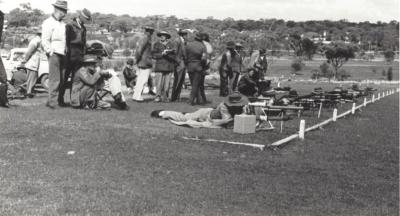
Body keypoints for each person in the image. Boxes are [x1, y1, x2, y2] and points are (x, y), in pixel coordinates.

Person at [150, 92, 248, 128]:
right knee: (184, 118)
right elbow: (225, 122)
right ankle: (162, 113)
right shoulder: (224, 106)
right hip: (204, 115)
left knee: (187, 115)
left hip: (208, 112)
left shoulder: (243, 105)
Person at [41, 0, 68, 108]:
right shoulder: (48, 22)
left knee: (62, 79)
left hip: (63, 54)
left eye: (65, 11)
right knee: (55, 79)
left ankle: (59, 100)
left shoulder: (64, 24)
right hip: (54, 54)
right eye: (63, 10)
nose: (65, 13)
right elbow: (45, 40)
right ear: (57, 10)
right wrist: (50, 52)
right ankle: (53, 103)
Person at [64, 8, 92, 104]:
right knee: (64, 77)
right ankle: (60, 100)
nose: (86, 21)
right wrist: (67, 52)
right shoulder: (70, 25)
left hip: (79, 55)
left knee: (76, 80)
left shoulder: (83, 28)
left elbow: (83, 42)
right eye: (86, 19)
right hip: (70, 54)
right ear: (81, 16)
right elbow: (66, 40)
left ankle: (74, 101)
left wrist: (84, 52)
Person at [152, 31, 176, 102]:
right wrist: (161, 54)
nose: (162, 36)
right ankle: (158, 97)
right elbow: (153, 55)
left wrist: (168, 54)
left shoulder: (171, 44)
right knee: (158, 83)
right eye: (161, 35)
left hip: (169, 66)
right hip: (159, 66)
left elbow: (174, 55)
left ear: (167, 37)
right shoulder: (156, 44)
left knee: (167, 84)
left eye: (164, 35)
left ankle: (165, 97)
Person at [132, 26, 154, 102]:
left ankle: (136, 96)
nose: (152, 33)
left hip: (142, 62)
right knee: (143, 80)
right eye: (151, 31)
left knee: (140, 80)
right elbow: (139, 50)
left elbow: (139, 50)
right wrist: (137, 59)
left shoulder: (143, 38)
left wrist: (137, 60)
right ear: (149, 32)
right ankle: (137, 96)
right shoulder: (146, 38)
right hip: (145, 62)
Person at [185, 32, 207, 105]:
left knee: (193, 84)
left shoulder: (188, 45)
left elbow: (185, 57)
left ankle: (199, 100)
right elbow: (204, 59)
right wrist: (203, 66)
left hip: (190, 66)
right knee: (195, 85)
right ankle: (191, 101)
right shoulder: (202, 46)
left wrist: (187, 63)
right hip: (198, 66)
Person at [20, 30, 42, 98]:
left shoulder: (38, 40)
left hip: (34, 62)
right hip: (33, 62)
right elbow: (30, 51)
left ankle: (27, 91)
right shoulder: (36, 40)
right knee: (31, 79)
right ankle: (28, 93)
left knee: (32, 79)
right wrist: (25, 60)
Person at [170, 29, 188, 102]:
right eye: (186, 35)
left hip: (182, 63)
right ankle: (174, 97)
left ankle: (177, 97)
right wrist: (178, 62)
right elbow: (175, 52)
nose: (187, 36)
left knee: (181, 81)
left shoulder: (183, 42)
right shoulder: (177, 41)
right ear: (183, 35)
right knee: (177, 80)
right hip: (179, 63)